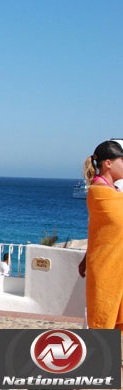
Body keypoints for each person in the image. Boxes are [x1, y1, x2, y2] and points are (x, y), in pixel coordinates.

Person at [78, 139, 123, 331]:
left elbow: (99, 231)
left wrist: (85, 257)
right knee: (104, 319)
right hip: (107, 266)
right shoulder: (99, 191)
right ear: (108, 163)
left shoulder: (113, 191)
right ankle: (104, 359)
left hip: (115, 263)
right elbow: (118, 222)